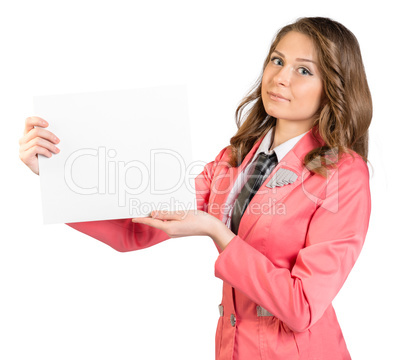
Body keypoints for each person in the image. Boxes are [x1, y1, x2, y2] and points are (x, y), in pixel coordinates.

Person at [19, 16, 372, 360]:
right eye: (277, 61)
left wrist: (218, 233)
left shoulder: (344, 174)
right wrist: (56, 174)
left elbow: (302, 307)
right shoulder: (233, 159)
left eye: (303, 70)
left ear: (334, 89)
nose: (280, 77)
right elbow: (137, 229)